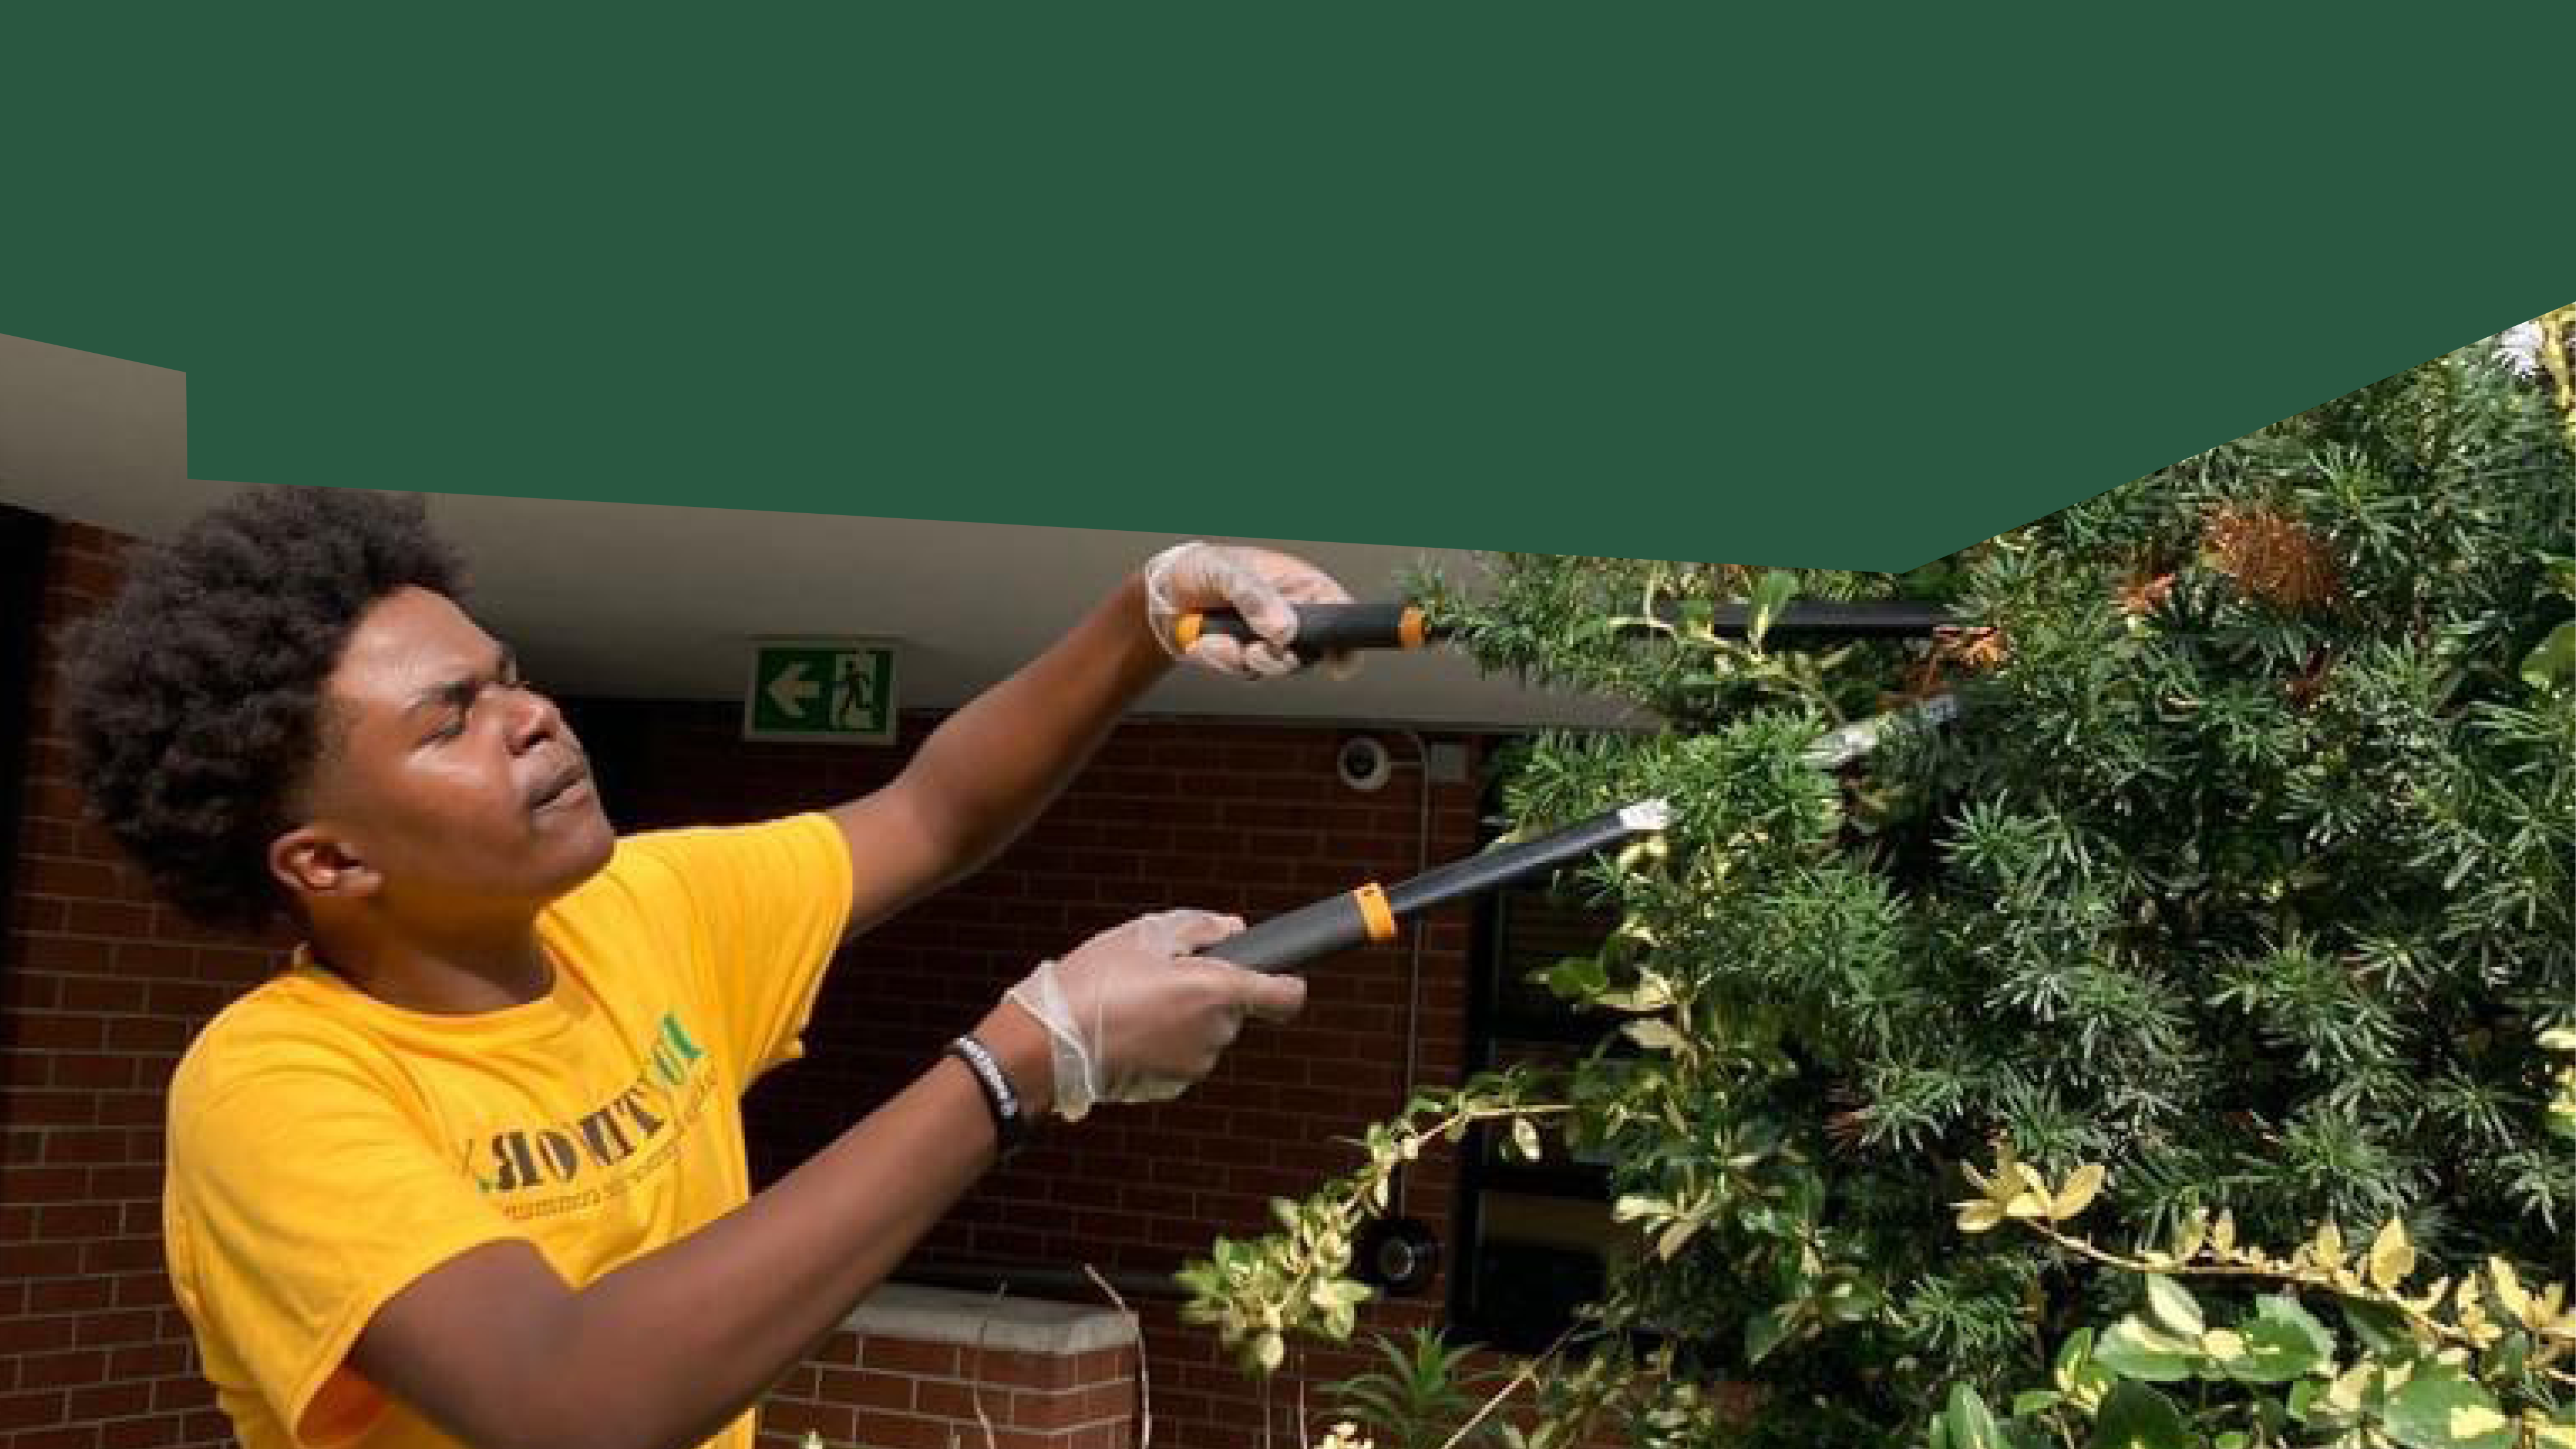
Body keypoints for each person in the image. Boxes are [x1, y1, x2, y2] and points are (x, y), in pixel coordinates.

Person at [61, 486, 1352, 1449]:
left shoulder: (636, 910)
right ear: (328, 864)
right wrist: (1020, 1065)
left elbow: (930, 815)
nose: (532, 716)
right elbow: (567, 1400)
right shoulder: (274, 1090)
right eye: (450, 720)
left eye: (506, 679)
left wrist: (1145, 615)